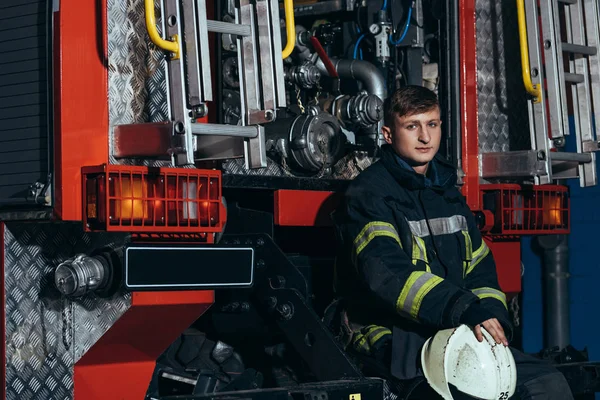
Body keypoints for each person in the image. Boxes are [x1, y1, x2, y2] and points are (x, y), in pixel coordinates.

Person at [330, 85, 573, 399]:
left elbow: (480, 268)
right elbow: (389, 274)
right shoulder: (369, 194)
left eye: (432, 124)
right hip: (397, 339)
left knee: (547, 384)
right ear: (389, 135)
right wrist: (464, 310)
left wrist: (491, 319)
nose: (425, 137)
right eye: (412, 126)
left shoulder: (445, 191)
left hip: (455, 330)